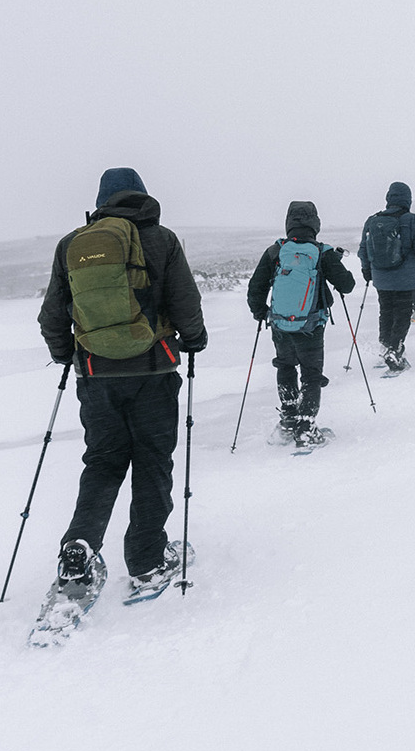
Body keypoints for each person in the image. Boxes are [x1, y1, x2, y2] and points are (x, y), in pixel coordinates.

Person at [38, 167, 207, 601]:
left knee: (103, 462)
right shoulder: (162, 239)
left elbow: (53, 313)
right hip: (153, 373)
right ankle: (148, 560)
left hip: (95, 375)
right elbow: (185, 300)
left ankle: (79, 548)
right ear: (143, 196)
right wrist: (194, 339)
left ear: (101, 200)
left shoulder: (72, 245)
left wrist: (65, 354)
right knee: (152, 463)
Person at [246, 201, 355, 447]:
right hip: (311, 327)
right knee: (311, 374)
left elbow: (256, 287)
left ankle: (288, 420)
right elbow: (347, 285)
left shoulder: (275, 251)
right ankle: (306, 428)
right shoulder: (322, 252)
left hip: (280, 325)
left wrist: (260, 312)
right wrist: (335, 264)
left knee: (285, 366)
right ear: (315, 223)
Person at [359, 181, 415, 373]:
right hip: (404, 278)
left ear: (388, 198)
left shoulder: (373, 220)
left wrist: (366, 270)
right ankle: (395, 348)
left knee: (386, 310)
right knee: (402, 313)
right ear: (407, 199)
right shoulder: (413, 221)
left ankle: (385, 345)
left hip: (380, 277)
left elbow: (363, 249)